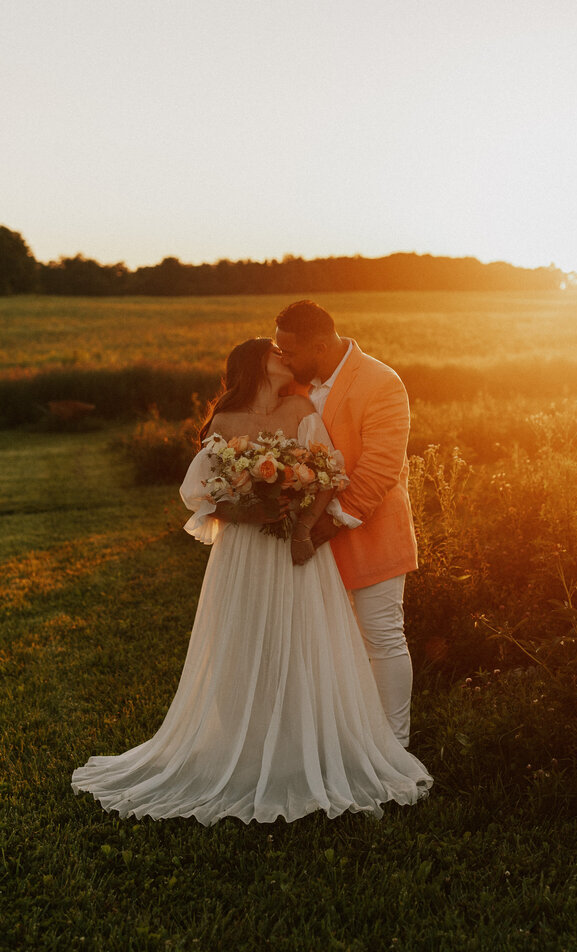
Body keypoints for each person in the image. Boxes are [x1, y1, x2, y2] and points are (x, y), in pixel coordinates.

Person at [72, 338, 431, 825]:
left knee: (304, 639)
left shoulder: (302, 407)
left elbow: (329, 475)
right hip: (243, 552)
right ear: (254, 364)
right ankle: (248, 745)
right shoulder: (222, 424)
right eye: (275, 350)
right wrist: (246, 507)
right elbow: (203, 497)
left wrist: (303, 528)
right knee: (244, 642)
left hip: (295, 550)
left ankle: (310, 743)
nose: (285, 353)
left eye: (289, 346)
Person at [274, 301, 418, 748]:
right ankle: (344, 741)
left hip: (369, 529)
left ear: (320, 346)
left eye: (289, 351)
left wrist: (326, 525)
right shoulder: (292, 384)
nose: (284, 359)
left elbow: (380, 467)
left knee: (382, 636)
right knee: (329, 644)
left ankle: (394, 747)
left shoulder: (381, 382)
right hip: (310, 538)